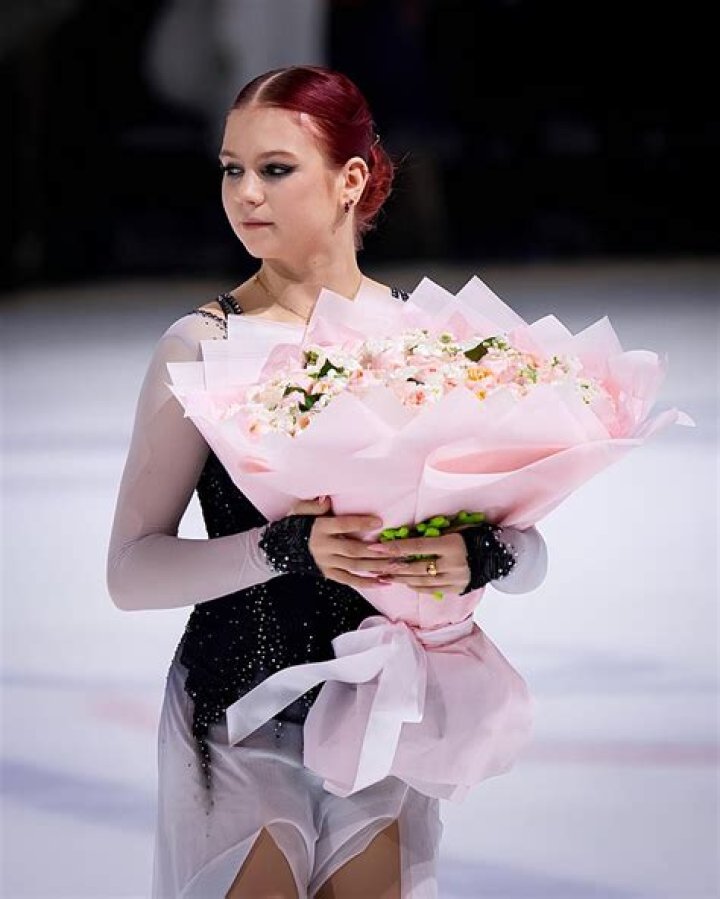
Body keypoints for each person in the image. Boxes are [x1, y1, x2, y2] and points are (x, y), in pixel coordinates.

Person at [106, 65, 548, 899]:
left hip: (383, 719)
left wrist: (479, 556)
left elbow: (530, 552)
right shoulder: (201, 347)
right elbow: (129, 571)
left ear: (350, 180)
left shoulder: (425, 340)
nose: (245, 193)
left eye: (275, 168)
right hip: (236, 713)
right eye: (232, 169)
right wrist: (280, 548)